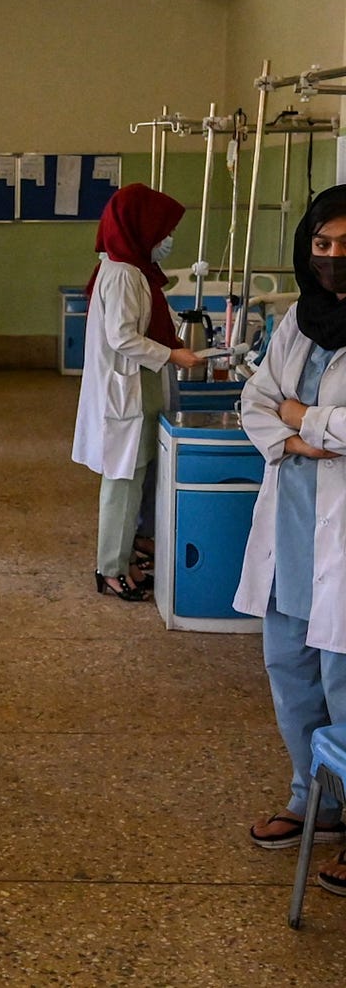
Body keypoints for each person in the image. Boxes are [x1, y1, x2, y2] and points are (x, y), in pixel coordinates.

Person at [234, 184, 346, 896]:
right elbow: (255, 403)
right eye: (323, 245)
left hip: (342, 547)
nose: (333, 259)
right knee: (292, 675)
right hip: (293, 534)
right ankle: (315, 799)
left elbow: (296, 413)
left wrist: (304, 418)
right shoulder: (295, 324)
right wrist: (307, 430)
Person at [71, 183, 204, 600]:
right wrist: (173, 355)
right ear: (141, 226)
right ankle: (111, 569)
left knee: (133, 479)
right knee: (123, 482)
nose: (167, 241)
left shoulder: (123, 266)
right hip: (125, 392)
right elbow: (123, 338)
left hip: (132, 389)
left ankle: (125, 552)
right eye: (163, 231)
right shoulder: (126, 274)